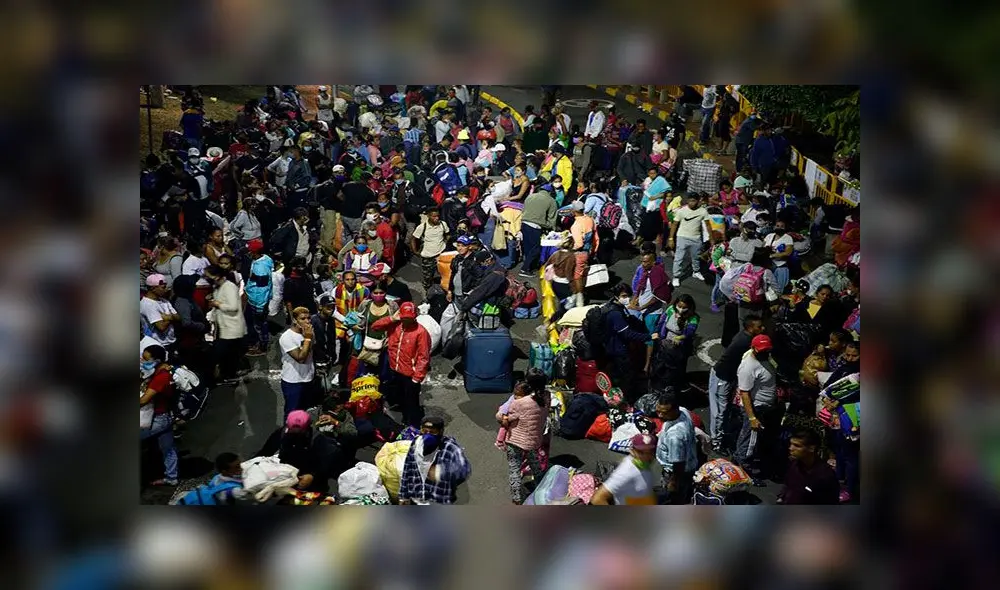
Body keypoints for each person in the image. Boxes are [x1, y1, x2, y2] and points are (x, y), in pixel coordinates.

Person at [708, 314, 764, 453]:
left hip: (728, 378)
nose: (762, 328)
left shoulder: (746, 337)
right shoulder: (745, 342)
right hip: (722, 378)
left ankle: (721, 435)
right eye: (759, 327)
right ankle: (716, 442)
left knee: (725, 409)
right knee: (719, 413)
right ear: (751, 328)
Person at [371, 302, 432, 427]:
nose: (406, 320)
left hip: (410, 375)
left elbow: (423, 357)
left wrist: (417, 378)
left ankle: (413, 426)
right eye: (404, 318)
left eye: (409, 318)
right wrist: (391, 318)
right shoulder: (395, 326)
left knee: (411, 403)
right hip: (395, 370)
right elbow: (375, 327)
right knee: (400, 399)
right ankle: (404, 420)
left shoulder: (421, 332)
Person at [734, 334, 780, 485]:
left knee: (752, 438)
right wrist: (752, 417)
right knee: (750, 442)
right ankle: (746, 472)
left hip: (766, 407)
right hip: (756, 408)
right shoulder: (748, 367)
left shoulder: (765, 358)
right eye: (762, 350)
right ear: (753, 349)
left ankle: (739, 459)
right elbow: (745, 393)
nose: (765, 352)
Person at [398, 416, 472, 505]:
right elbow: (407, 468)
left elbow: (464, 469)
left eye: (433, 432)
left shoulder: (450, 448)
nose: (427, 435)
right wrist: (403, 496)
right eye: (424, 431)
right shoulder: (416, 443)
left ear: (441, 432)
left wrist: (440, 472)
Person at [604, 284, 655, 403]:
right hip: (618, 350)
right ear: (616, 296)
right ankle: (625, 400)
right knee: (626, 377)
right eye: (624, 296)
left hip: (613, 348)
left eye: (628, 296)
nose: (627, 298)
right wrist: (648, 336)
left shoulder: (614, 307)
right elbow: (627, 334)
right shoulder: (615, 313)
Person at [497, 382, 546, 504]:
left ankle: (517, 499)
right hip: (532, 442)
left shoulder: (518, 404)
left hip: (515, 442)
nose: (515, 397)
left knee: (514, 470)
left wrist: (501, 417)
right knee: (536, 467)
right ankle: (542, 490)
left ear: (525, 393)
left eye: (517, 394)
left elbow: (506, 421)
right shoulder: (541, 401)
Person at [140, 344, 179, 486]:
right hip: (165, 416)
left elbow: (144, 400)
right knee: (168, 448)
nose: (142, 362)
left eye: (146, 359)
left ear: (156, 361)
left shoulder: (160, 377)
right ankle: (172, 477)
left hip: (157, 419)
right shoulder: (158, 372)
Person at [654, 391, 700, 504]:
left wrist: (673, 482)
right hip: (690, 464)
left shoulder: (675, 436)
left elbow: (678, 463)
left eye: (664, 413)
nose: (659, 415)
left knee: (672, 499)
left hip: (676, 473)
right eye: (658, 411)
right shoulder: (683, 411)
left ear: (674, 410)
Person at [204, 264, 247, 383]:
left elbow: (233, 307)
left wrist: (216, 304)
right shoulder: (218, 286)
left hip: (231, 327)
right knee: (229, 354)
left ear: (217, 276)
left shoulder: (229, 287)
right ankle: (227, 374)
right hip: (224, 326)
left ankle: (221, 376)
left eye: (209, 276)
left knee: (220, 353)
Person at [590, 433, 659, 505]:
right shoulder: (626, 471)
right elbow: (597, 498)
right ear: (632, 451)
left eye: (650, 452)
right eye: (641, 452)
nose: (646, 456)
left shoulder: (645, 466)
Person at [650, 294, 700, 391]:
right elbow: (661, 322)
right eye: (679, 306)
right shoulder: (670, 310)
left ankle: (677, 385)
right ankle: (660, 384)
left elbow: (690, 332)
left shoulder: (693, 317)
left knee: (677, 367)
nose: (681, 309)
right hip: (665, 342)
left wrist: (680, 337)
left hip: (680, 347)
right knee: (662, 363)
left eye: (684, 307)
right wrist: (656, 332)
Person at [777, 430, 840, 504]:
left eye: (797, 446)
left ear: (811, 448)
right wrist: (782, 497)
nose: (790, 448)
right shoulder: (794, 465)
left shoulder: (825, 476)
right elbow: (788, 484)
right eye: (791, 444)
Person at [351, 284, 398, 379]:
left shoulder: (392, 306)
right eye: (375, 293)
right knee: (366, 373)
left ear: (386, 293)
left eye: (381, 293)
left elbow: (397, 323)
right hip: (368, 345)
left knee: (384, 373)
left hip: (385, 346)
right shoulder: (365, 304)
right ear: (371, 293)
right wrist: (355, 326)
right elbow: (357, 319)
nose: (378, 295)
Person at [279, 307, 316, 418]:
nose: (307, 321)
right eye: (303, 319)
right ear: (295, 320)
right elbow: (301, 358)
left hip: (308, 378)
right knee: (292, 414)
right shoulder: (287, 337)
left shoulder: (308, 332)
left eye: (308, 318)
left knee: (303, 411)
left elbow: (312, 349)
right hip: (293, 381)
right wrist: (308, 338)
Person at [668, 192, 709, 287]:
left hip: (696, 238)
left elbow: (707, 225)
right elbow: (674, 224)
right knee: (679, 258)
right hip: (682, 237)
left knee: (696, 257)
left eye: (694, 201)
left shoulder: (703, 211)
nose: (691, 203)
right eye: (690, 201)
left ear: (698, 201)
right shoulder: (681, 211)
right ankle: (676, 276)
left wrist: (710, 238)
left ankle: (696, 271)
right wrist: (671, 238)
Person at [519, 181, 558, 278]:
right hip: (535, 227)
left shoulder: (530, 196)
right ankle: (524, 269)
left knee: (528, 248)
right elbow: (552, 219)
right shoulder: (551, 201)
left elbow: (524, 210)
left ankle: (528, 267)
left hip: (524, 224)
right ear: (550, 192)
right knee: (536, 249)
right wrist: (551, 229)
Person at [243, 239, 274, 356]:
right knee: (257, 323)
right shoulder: (265, 259)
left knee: (259, 325)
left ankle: (262, 347)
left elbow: (261, 289)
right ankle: (257, 342)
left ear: (254, 252)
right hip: (256, 299)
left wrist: (260, 305)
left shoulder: (260, 269)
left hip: (258, 301)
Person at [410, 208, 450, 290]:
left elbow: (447, 234)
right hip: (428, 258)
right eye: (434, 216)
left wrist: (445, 243)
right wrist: (415, 251)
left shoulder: (443, 224)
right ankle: (428, 294)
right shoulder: (422, 227)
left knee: (444, 275)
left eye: (438, 216)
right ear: (428, 216)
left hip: (441, 256)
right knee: (428, 278)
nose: (436, 218)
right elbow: (413, 239)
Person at [569, 201, 597, 308]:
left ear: (574, 211)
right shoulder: (590, 220)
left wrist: (569, 248)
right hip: (588, 251)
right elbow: (596, 237)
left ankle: (579, 299)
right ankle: (577, 295)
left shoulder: (576, 225)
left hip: (579, 253)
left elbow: (579, 243)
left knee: (577, 276)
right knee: (582, 273)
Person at [141, 274, 180, 350]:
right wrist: (171, 317)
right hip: (158, 344)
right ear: (153, 288)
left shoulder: (164, 301)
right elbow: (161, 327)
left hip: (171, 341)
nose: (166, 290)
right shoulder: (148, 304)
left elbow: (179, 317)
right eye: (163, 287)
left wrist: (167, 317)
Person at [639, 167, 670, 248]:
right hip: (647, 204)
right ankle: (643, 238)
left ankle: (655, 238)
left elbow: (666, 192)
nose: (652, 175)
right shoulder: (647, 180)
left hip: (656, 204)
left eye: (654, 173)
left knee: (655, 222)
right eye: (650, 173)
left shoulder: (661, 180)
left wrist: (655, 197)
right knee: (645, 221)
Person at [763, 219, 794, 295]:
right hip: (767, 265)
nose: (779, 228)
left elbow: (788, 252)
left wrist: (772, 255)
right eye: (777, 226)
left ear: (785, 228)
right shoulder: (769, 236)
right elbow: (762, 247)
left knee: (778, 289)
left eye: (782, 226)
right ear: (774, 227)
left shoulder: (788, 238)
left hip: (780, 266)